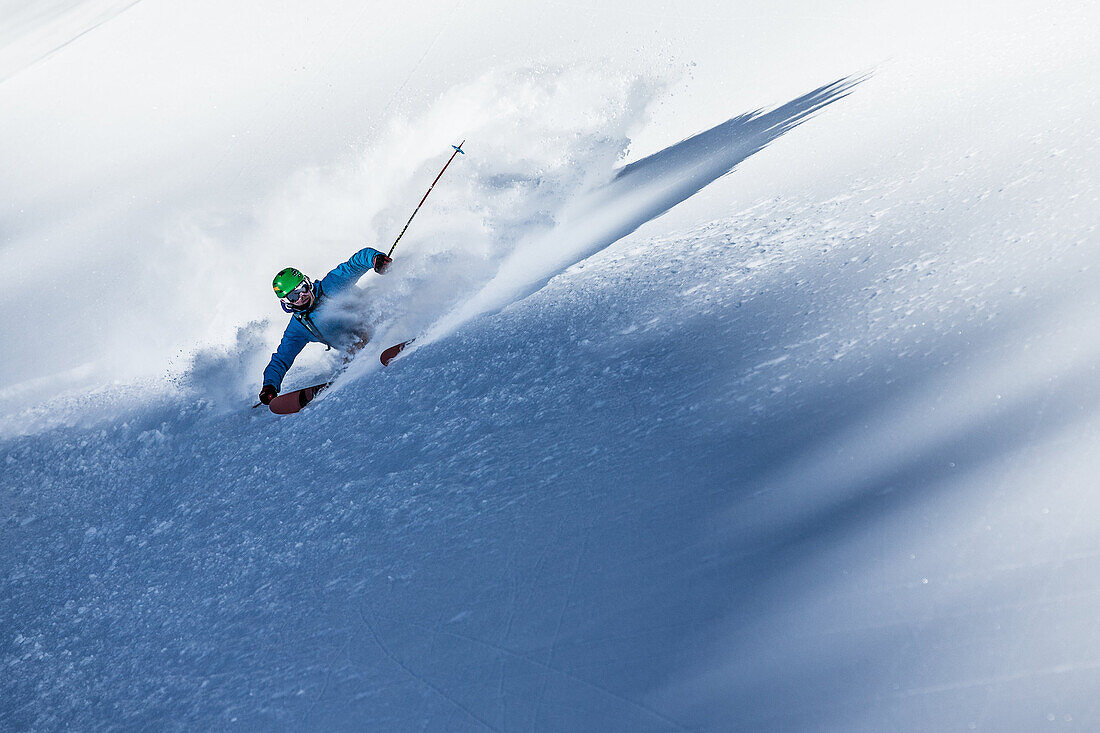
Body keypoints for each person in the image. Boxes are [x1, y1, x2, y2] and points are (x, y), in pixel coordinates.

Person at [258, 246, 392, 405]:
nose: (302, 295)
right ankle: (355, 367)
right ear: (286, 302)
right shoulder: (299, 327)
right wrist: (270, 385)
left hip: (377, 318)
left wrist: (376, 259)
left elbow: (354, 264)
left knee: (362, 337)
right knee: (353, 352)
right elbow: (282, 358)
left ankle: (391, 334)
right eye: (294, 295)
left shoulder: (331, 286)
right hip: (355, 346)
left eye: (303, 288)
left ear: (307, 282)